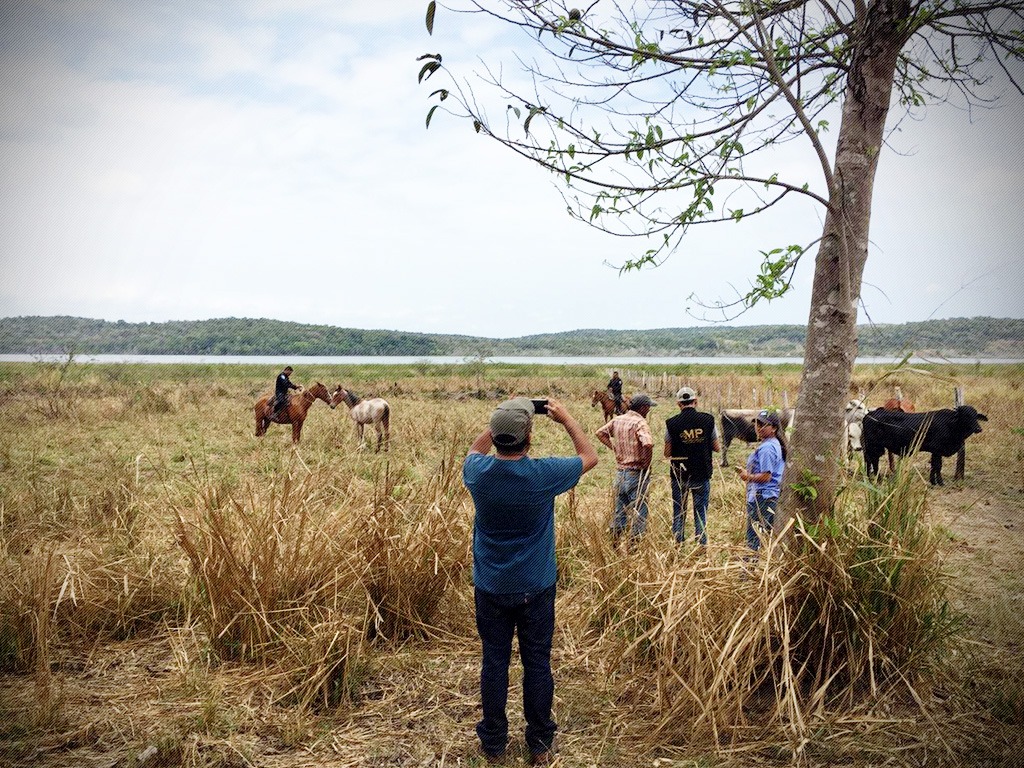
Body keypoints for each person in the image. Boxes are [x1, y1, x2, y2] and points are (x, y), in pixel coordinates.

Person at [463, 397, 598, 765]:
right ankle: (539, 744)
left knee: (494, 661)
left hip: (490, 584)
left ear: (497, 436)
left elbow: (476, 449)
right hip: (536, 584)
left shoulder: (477, 472)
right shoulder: (543, 474)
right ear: (529, 438)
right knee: (537, 662)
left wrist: (501, 419)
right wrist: (568, 419)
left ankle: (493, 744)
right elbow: (590, 457)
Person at [596, 393, 656, 541]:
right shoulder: (640, 423)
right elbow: (648, 443)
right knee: (639, 511)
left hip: (620, 473)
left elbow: (600, 433)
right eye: (648, 407)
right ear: (643, 408)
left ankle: (615, 544)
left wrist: (614, 448)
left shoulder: (618, 419)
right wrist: (646, 464)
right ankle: (635, 546)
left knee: (619, 511)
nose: (649, 410)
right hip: (637, 474)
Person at [664, 386, 720, 545]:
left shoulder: (671, 423)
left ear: (679, 404)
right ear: (695, 401)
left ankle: (677, 544)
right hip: (702, 474)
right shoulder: (708, 420)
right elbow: (717, 447)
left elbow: (667, 453)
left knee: (679, 512)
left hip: (679, 475)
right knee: (700, 512)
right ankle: (701, 546)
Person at [736, 409, 787, 550]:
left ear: (774, 428)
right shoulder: (775, 444)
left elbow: (766, 476)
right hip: (770, 496)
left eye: (763, 425)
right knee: (765, 535)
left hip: (762, 497)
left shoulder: (767, 448)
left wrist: (747, 476)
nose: (759, 427)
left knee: (754, 537)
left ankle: (749, 568)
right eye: (757, 424)